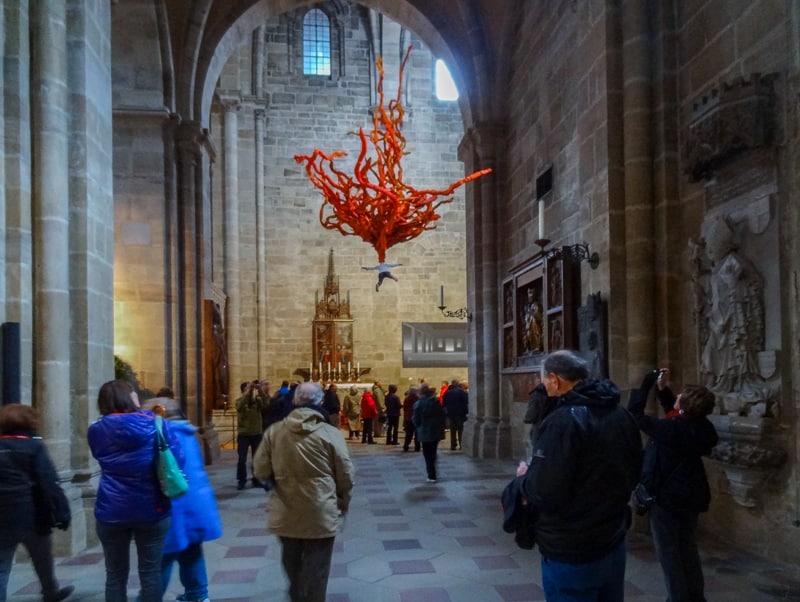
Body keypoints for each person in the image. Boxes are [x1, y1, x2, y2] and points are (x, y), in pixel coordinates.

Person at [519, 350, 642, 601]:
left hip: (573, 544)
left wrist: (526, 478)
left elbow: (545, 491)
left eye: (544, 379)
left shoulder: (562, 421)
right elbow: (634, 469)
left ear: (555, 379)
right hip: (613, 534)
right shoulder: (621, 414)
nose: (543, 385)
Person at [252, 382, 355, 602]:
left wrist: (276, 482)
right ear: (320, 402)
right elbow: (345, 474)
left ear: (295, 401)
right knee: (317, 568)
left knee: (292, 564)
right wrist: (343, 501)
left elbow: (260, 469)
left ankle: (297, 595)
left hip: (285, 509)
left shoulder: (274, 431)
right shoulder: (330, 433)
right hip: (321, 509)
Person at [88, 379, 184, 602]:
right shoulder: (157, 425)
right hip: (152, 507)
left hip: (111, 508)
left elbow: (99, 456)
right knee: (150, 573)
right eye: (133, 394)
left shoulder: (95, 430)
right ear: (129, 398)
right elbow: (178, 460)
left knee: (114, 575)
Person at [628, 368, 719, 602]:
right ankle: (695, 597)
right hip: (692, 495)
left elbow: (635, 415)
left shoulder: (671, 429)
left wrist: (647, 382)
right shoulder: (702, 428)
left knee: (669, 554)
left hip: (667, 499)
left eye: (680, 395)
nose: (676, 396)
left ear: (684, 406)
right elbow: (677, 414)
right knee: (687, 548)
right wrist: (663, 390)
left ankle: (678, 598)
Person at [142, 397, 222, 602]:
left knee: (162, 559)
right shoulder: (186, 433)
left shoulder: (161, 438)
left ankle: (149, 598)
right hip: (196, 504)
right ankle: (198, 595)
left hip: (174, 507)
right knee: (191, 551)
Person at [0, 404, 73, 602]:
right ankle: (50, 592)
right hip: (31, 513)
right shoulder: (33, 446)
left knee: (2, 565)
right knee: (42, 559)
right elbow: (48, 481)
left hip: (2, 516)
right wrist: (62, 511)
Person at [236, 380, 268, 490]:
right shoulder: (239, 400)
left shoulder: (257, 401)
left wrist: (260, 390)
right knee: (242, 459)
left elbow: (266, 403)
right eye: (247, 389)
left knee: (257, 458)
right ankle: (241, 480)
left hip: (256, 433)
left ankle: (257, 479)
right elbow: (240, 407)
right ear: (242, 391)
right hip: (244, 434)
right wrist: (247, 393)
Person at [412, 382, 447, 482]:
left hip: (425, 431)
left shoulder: (419, 403)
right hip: (436, 431)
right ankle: (433, 471)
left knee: (427, 454)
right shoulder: (436, 402)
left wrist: (418, 426)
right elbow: (442, 415)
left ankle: (431, 475)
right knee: (433, 451)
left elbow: (416, 419)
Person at [442, 379, 468, 451]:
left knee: (452, 430)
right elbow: (466, 402)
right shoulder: (461, 392)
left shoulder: (447, 392)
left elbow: (444, 403)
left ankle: (453, 445)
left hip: (451, 414)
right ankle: (461, 444)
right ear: (457, 384)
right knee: (460, 430)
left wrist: (447, 412)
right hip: (460, 414)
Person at [401, 386, 421, 452]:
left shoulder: (407, 398)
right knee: (417, 433)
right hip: (416, 418)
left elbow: (405, 407)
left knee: (408, 433)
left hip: (408, 418)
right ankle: (417, 447)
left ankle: (406, 446)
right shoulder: (418, 398)